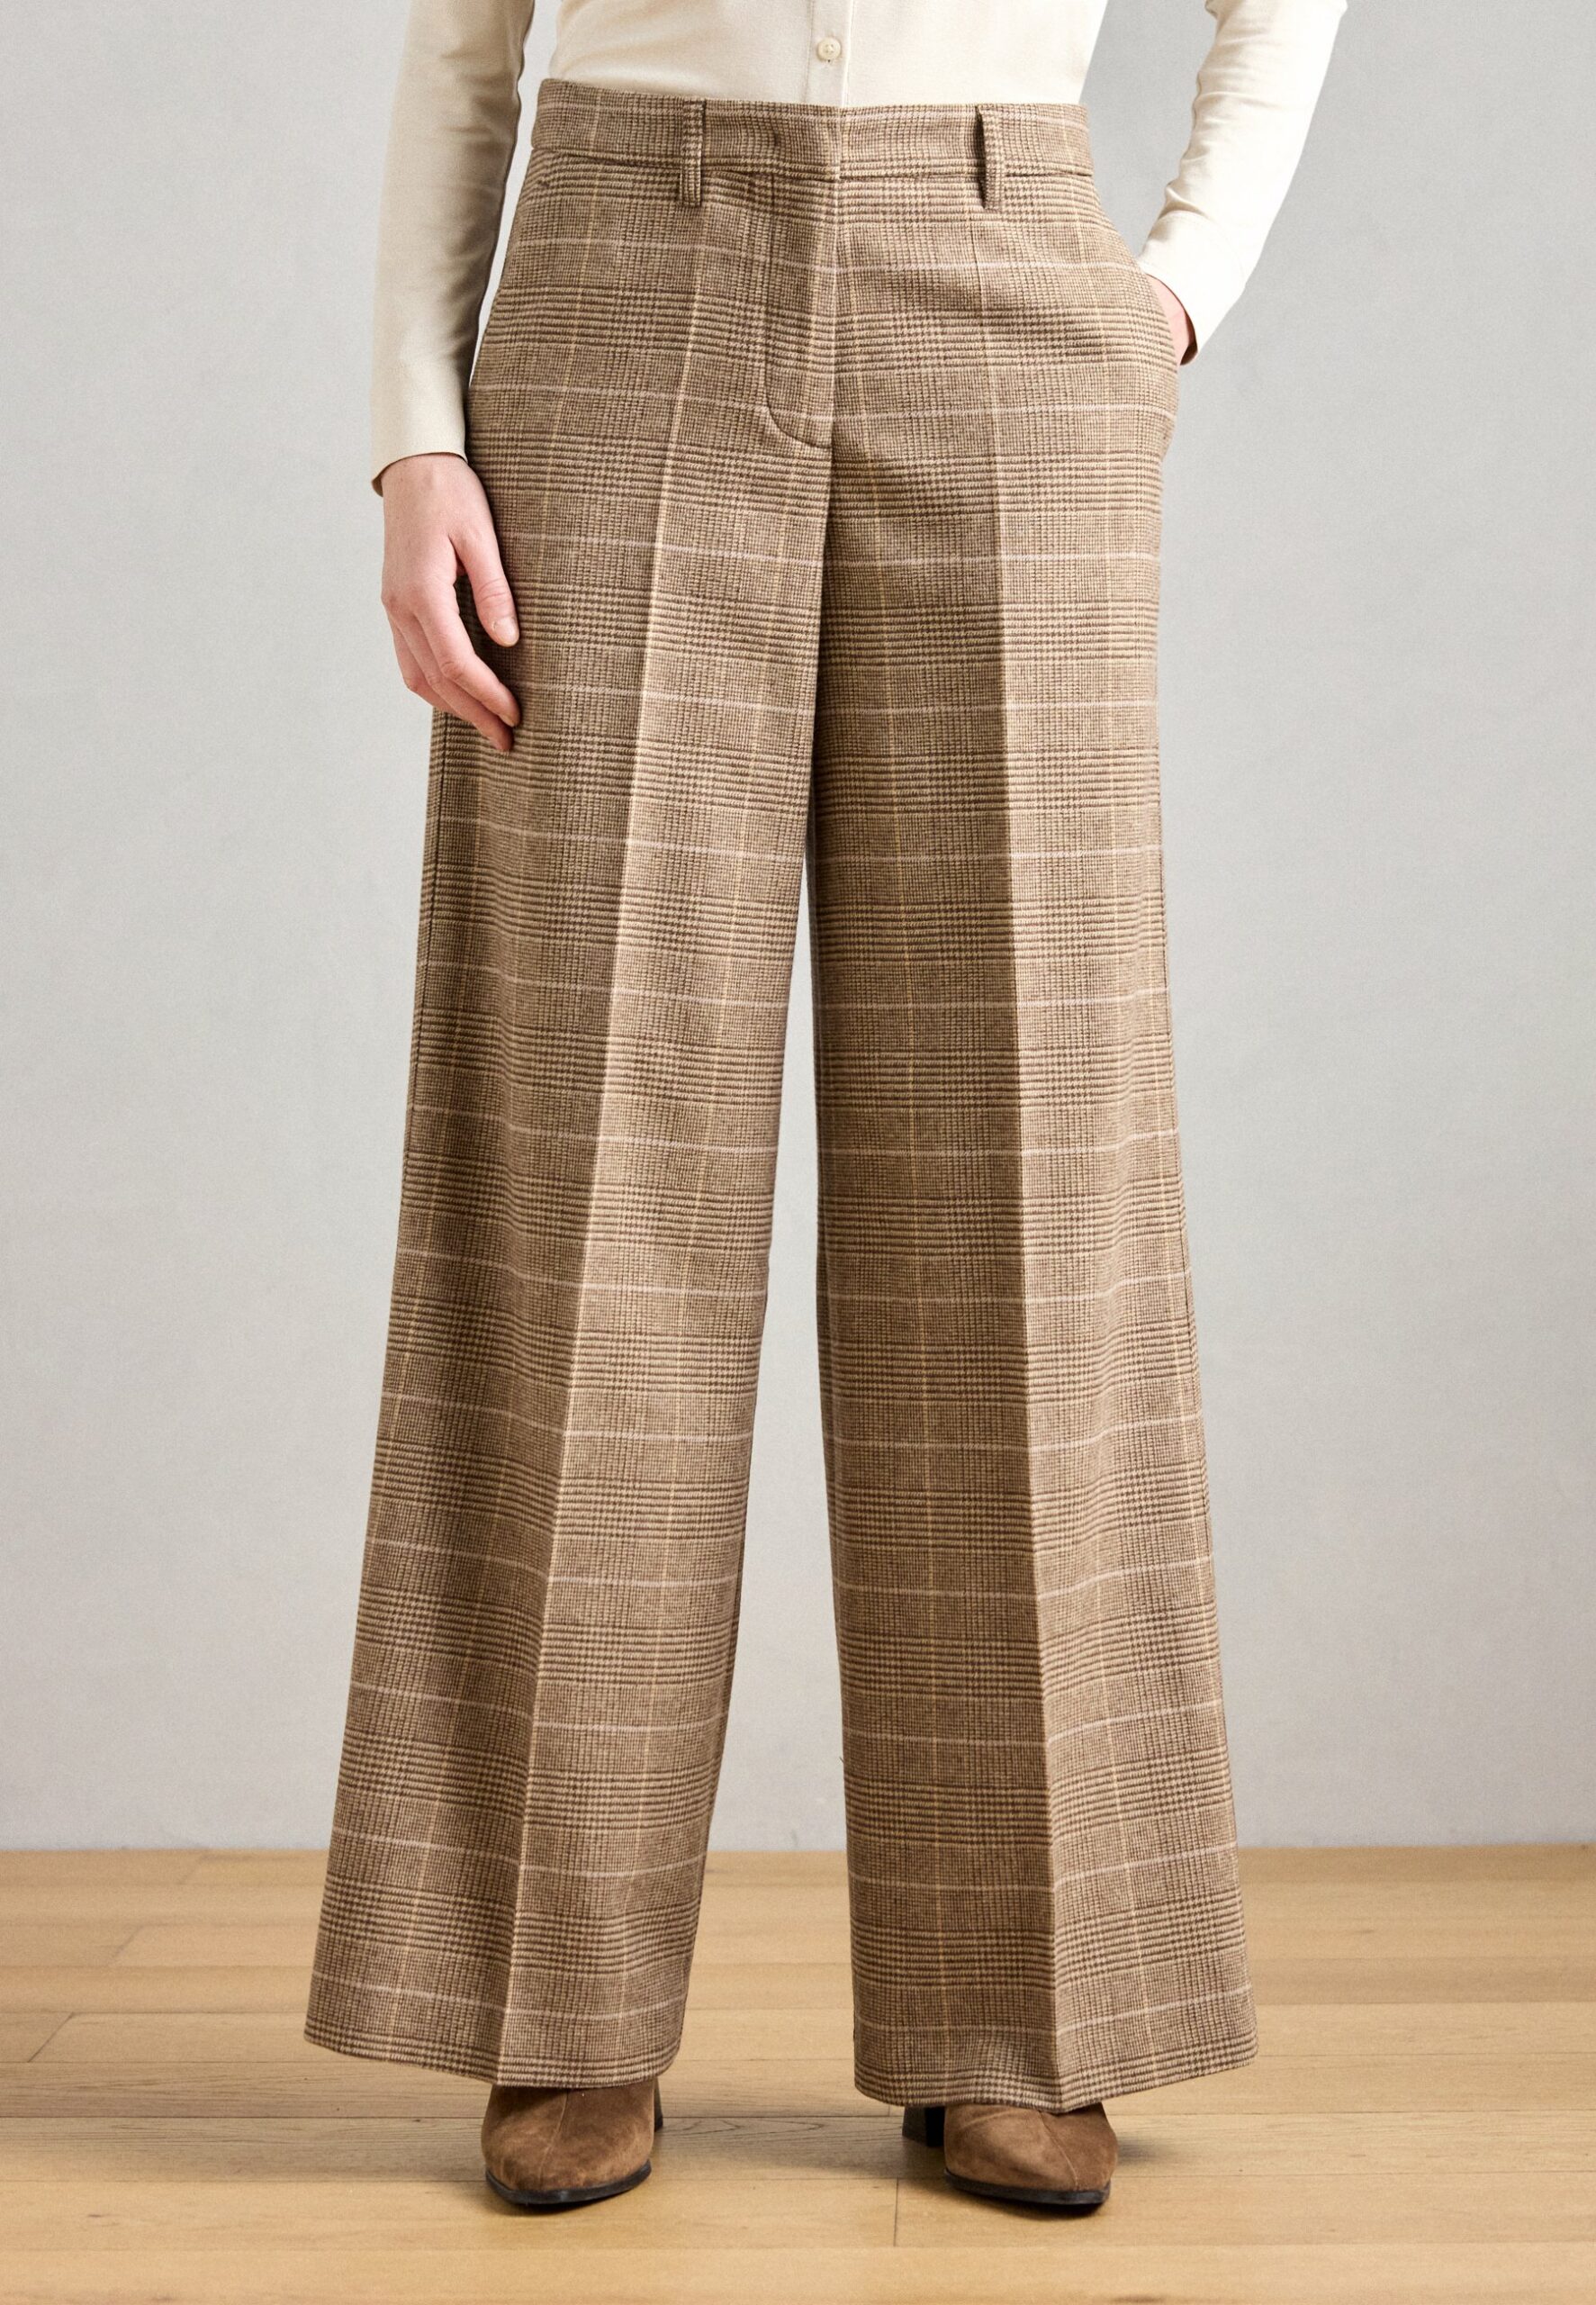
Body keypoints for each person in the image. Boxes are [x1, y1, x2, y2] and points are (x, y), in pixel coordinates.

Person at [305, 0, 1345, 2214]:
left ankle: (1026, 2003)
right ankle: (556, 1996)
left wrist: (1172, 284)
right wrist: (414, 435)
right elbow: (465, 43)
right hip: (614, 273)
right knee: (579, 1158)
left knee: (1025, 1161)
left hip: (1005, 278)